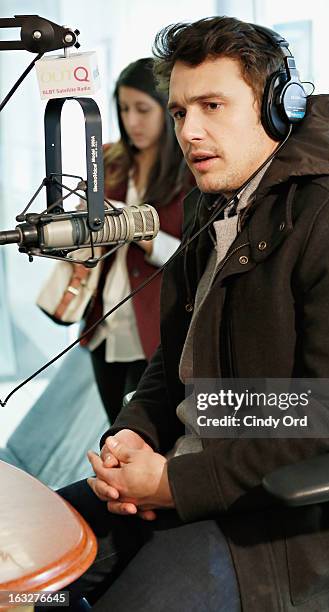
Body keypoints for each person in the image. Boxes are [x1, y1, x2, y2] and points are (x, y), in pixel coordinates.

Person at [57, 17, 329, 612]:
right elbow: (173, 365)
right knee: (26, 571)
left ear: (279, 107)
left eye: (213, 105)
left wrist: (174, 482)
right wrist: (136, 432)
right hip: (204, 479)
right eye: (181, 112)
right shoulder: (220, 211)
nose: (191, 131)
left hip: (303, 521)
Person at [80, 58, 189, 424]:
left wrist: (130, 225)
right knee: (115, 427)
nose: (132, 121)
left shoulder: (191, 171)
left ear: (166, 108)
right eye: (124, 109)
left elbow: (189, 258)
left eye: (143, 109)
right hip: (103, 324)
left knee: (142, 433)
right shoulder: (109, 160)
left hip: (152, 329)